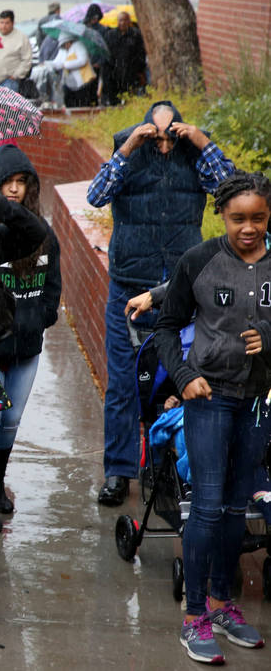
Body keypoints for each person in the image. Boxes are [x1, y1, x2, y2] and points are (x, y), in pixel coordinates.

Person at [87, 101, 236, 506]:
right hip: (128, 285)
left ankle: (159, 466)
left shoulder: (193, 156)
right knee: (122, 383)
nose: (165, 142)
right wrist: (130, 146)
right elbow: (96, 195)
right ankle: (118, 471)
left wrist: (202, 142)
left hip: (181, 289)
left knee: (176, 378)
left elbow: (235, 192)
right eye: (157, 134)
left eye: (171, 134)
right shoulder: (129, 152)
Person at [153, 172, 271, 664]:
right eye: (238, 218)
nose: (248, 228)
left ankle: (224, 605)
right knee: (204, 507)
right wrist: (183, 377)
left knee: (234, 507)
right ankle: (195, 614)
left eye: (259, 218)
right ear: (221, 215)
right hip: (209, 398)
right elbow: (164, 327)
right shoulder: (198, 261)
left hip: (258, 402)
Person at [0, 145, 60, 530]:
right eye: (6, 182)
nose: (13, 189)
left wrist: (42, 317)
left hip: (27, 344)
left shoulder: (40, 235)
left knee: (12, 420)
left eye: (21, 182)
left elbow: (53, 283)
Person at [0, 10, 32, 93]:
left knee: (6, 106)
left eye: (7, 23)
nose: (4, 26)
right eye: (1, 23)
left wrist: (16, 75)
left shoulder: (21, 38)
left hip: (9, 81)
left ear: (13, 23)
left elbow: (27, 59)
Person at [105, 11, 146, 104]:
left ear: (129, 21)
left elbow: (141, 53)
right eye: (120, 20)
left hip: (130, 71)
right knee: (114, 99)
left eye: (124, 20)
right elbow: (107, 54)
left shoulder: (135, 35)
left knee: (130, 98)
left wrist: (140, 71)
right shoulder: (110, 35)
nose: (122, 23)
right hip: (114, 72)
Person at [52, 34, 97, 107]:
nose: (65, 46)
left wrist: (66, 65)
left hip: (83, 82)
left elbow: (83, 60)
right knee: (70, 103)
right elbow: (58, 62)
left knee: (83, 104)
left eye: (66, 44)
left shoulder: (78, 46)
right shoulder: (63, 51)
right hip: (69, 83)